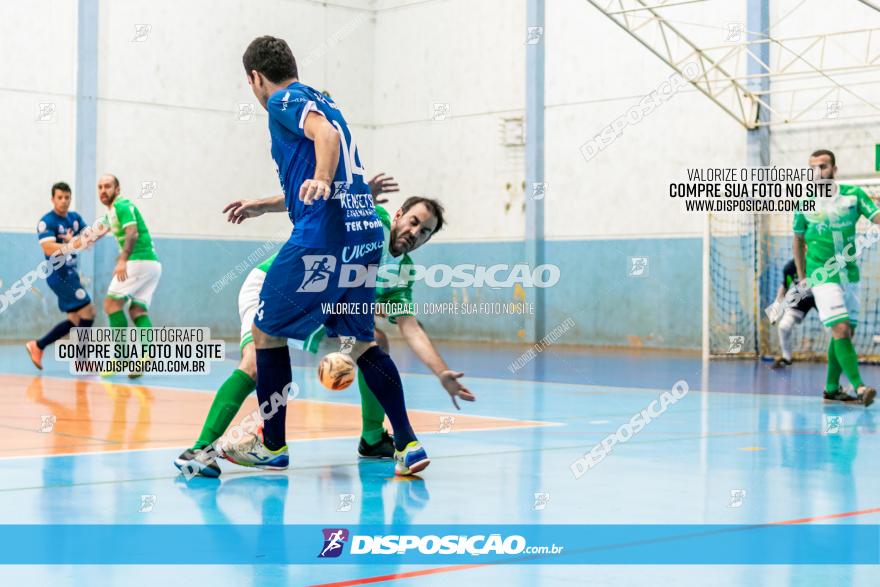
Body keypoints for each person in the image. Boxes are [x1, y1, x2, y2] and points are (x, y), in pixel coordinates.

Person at [219, 36, 432, 476]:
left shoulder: (283, 100)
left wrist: (317, 176)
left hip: (322, 238)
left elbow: (325, 139)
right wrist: (265, 204)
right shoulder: (321, 99)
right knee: (365, 341)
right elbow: (324, 170)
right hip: (364, 234)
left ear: (255, 78)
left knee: (265, 331)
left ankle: (273, 444)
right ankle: (407, 442)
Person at [793, 149, 876, 406]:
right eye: (813, 167)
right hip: (822, 276)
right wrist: (802, 276)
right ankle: (860, 387)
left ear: (834, 169)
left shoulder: (854, 196)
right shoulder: (804, 203)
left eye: (824, 166)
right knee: (839, 328)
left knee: (845, 333)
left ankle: (831, 388)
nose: (818, 172)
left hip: (850, 275)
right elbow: (797, 241)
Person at [25, 182, 97, 368]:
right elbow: (48, 248)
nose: (64, 201)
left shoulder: (74, 218)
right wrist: (72, 244)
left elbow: (89, 236)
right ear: (52, 199)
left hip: (71, 274)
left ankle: (38, 345)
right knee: (89, 312)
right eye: (60, 198)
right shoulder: (47, 221)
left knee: (74, 320)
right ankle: (82, 360)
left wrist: (86, 238)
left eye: (67, 197)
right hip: (60, 276)